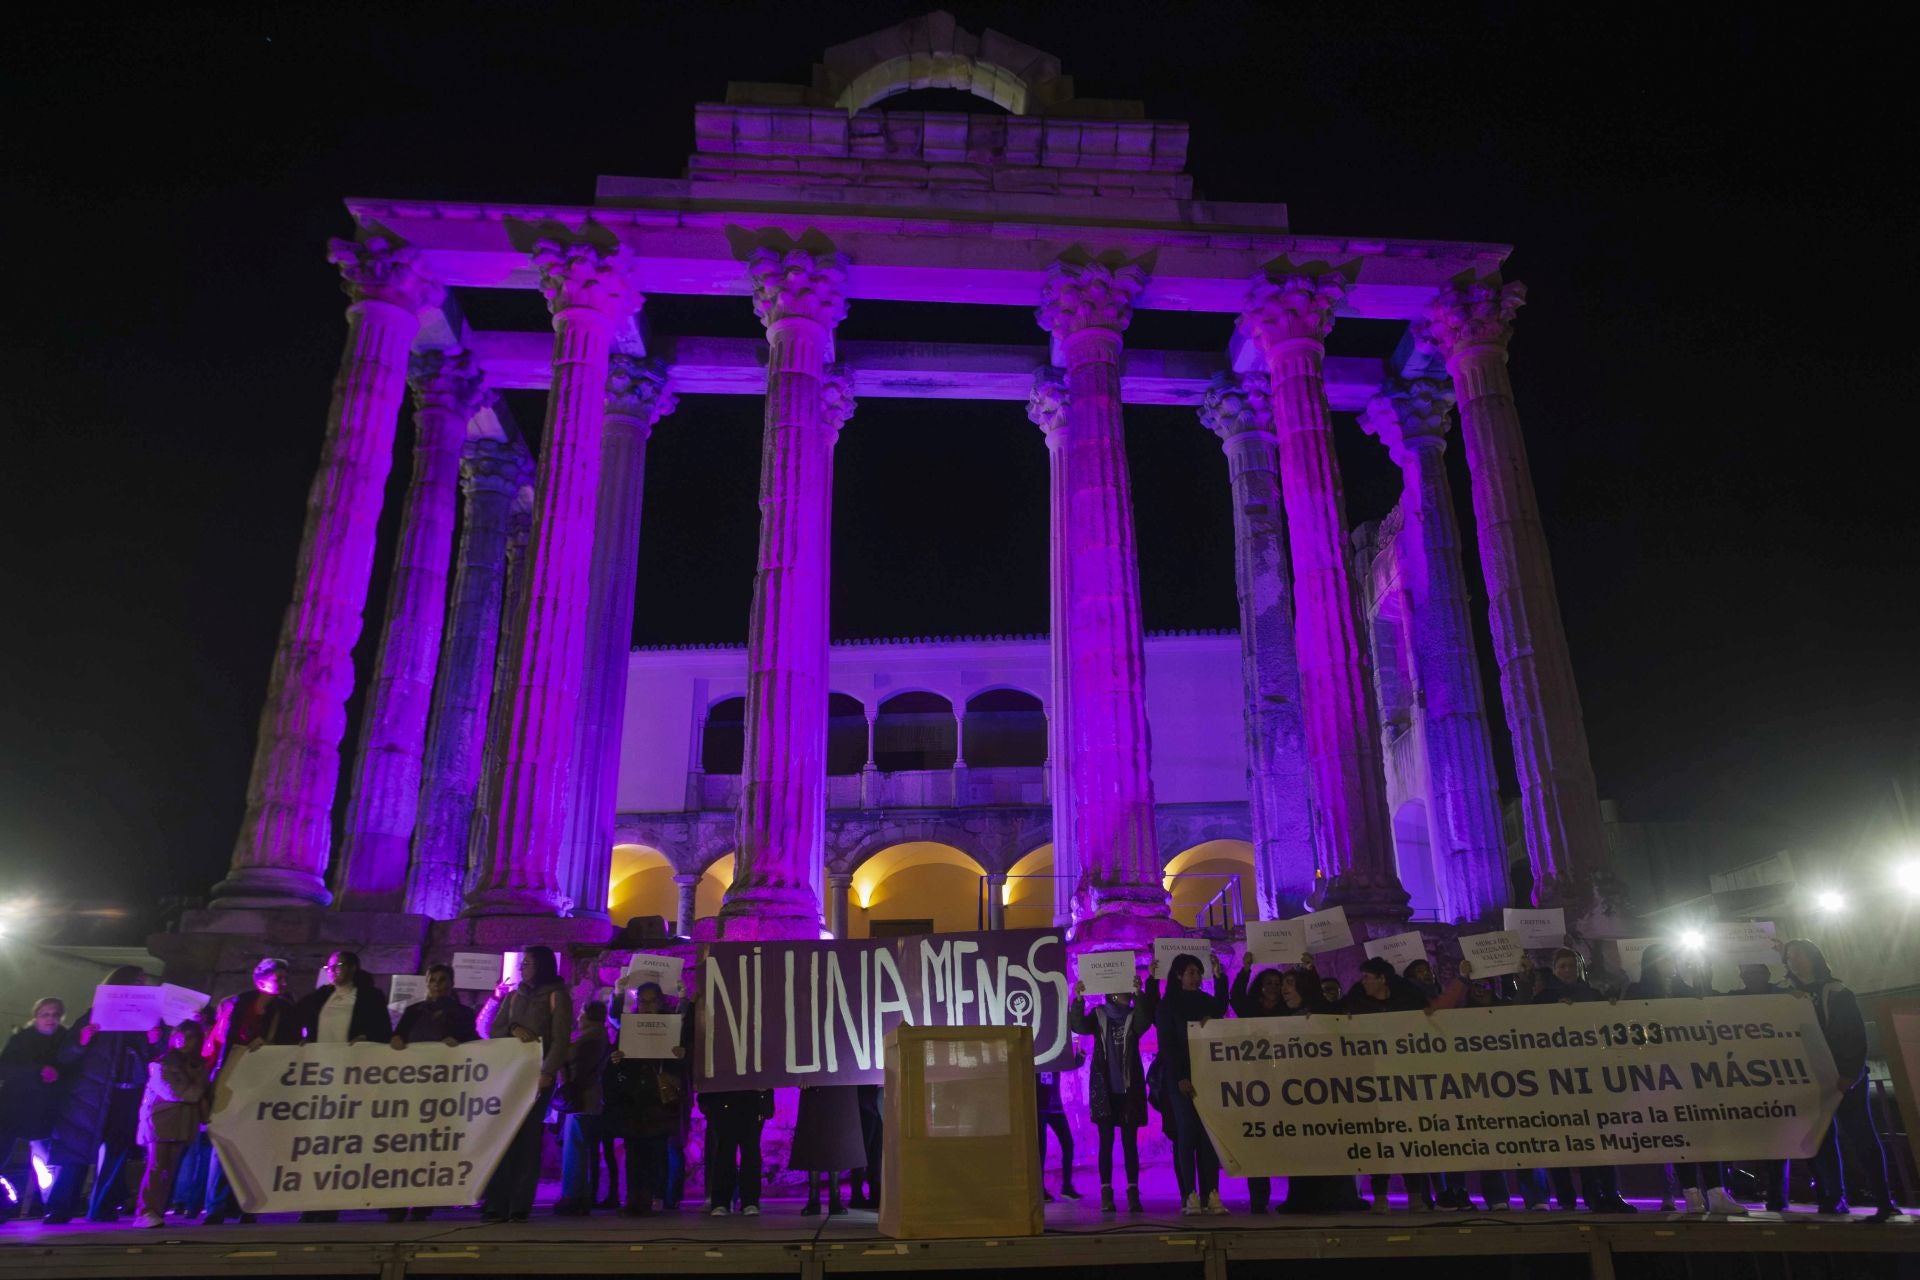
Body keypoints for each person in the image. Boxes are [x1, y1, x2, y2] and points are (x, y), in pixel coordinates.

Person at [1784, 938, 1903, 1220]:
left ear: (1814, 957)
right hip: (1810, 1079)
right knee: (1821, 1142)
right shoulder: (1786, 997)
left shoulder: (1838, 992)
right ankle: (1833, 1198)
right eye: (1790, 957)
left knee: (1863, 1139)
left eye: (1800, 955)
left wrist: (1848, 1073)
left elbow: (1854, 1035)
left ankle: (1884, 1201)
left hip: (1845, 1078)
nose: (1795, 961)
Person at [1626, 943, 1745, 1215]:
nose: (1670, 962)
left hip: (1694, 1073)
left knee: (1704, 1131)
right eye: (1664, 958)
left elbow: (1706, 1010)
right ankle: (1691, 1195)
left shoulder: (1685, 989)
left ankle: (1716, 1193)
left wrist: (1704, 972)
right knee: (1678, 1135)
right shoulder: (1637, 992)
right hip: (1661, 1073)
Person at [1345, 956, 1469, 1212]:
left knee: (1409, 1138)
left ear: (1382, 979)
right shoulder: (1357, 1001)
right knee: (1379, 1141)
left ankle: (1415, 1195)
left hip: (1405, 1083)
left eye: (1368, 977)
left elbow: (1436, 1011)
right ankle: (1380, 1196)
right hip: (1373, 1083)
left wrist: (1462, 980)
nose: (1363, 982)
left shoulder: (1408, 1000)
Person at [45, 965, 163, 1224]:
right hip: (92, 1093)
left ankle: (103, 1207)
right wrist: (82, 1041)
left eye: (143, 982)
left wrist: (156, 1041)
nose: (140, 987)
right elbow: (66, 1056)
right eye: (136, 981)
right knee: (76, 1149)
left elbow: (159, 1056)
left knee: (116, 1152)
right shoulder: (94, 1015)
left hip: (127, 1093)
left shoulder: (149, 1020)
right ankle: (61, 1207)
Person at [1531, 948, 1634, 1214]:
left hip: (1591, 1076)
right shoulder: (1544, 998)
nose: (1568, 970)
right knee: (1562, 1139)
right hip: (1558, 1078)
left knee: (1599, 1140)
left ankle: (1605, 1193)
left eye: (1572, 966)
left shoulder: (1592, 994)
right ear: (1554, 969)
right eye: (1563, 966)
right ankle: (1566, 1198)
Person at [479, 946, 572, 1223]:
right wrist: (511, 1029)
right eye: (523, 963)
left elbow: (560, 1038)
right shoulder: (514, 996)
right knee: (503, 1138)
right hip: (510, 1074)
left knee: (528, 1141)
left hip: (536, 1076)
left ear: (541, 966)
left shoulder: (557, 996)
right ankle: (496, 1201)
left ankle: (520, 1203)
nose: (523, 968)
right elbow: (494, 1030)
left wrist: (548, 1071)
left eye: (528, 963)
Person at [201, 956, 295, 1224]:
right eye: (278, 978)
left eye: (285, 979)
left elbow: (291, 1044)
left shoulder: (285, 1009)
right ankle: (217, 1205)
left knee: (254, 1145)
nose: (283, 983)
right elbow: (221, 1042)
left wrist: (269, 1046)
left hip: (265, 1083)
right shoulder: (238, 1004)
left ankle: (248, 1204)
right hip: (234, 1079)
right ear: (261, 979)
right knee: (225, 1143)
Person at [386, 964, 478, 1222]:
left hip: (441, 1091)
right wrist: (396, 1040)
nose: (437, 984)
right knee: (403, 1148)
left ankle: (423, 1203)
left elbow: (474, 1045)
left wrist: (458, 1046)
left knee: (430, 1149)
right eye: (433, 980)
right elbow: (397, 1037)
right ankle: (397, 1203)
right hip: (412, 1091)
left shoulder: (462, 1013)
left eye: (442, 980)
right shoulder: (413, 1011)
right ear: (426, 982)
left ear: (450, 983)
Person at [600, 983, 691, 1215]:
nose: (647, 1006)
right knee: (634, 1151)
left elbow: (681, 1059)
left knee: (656, 1150)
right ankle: (634, 1199)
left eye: (652, 1001)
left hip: (657, 1095)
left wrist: (679, 1056)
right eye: (643, 1001)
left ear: (661, 1001)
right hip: (633, 1096)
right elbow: (616, 1058)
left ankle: (656, 1197)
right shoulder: (629, 1027)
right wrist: (617, 1057)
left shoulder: (671, 1026)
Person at [1070, 972, 1157, 1213]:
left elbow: (1144, 1021)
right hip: (1105, 1089)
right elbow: (1078, 1025)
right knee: (1106, 1143)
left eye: (1129, 993)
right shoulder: (1098, 1016)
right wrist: (1078, 999)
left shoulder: (1132, 1016)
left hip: (1129, 1090)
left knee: (1130, 1143)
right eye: (1125, 992)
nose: (1127, 995)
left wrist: (1140, 996)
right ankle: (1106, 1193)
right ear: (1112, 993)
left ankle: (1132, 1193)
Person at [1155, 951, 1230, 1215]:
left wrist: (1221, 978)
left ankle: (1212, 1191)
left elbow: (1221, 1008)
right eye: (1191, 972)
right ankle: (1189, 1193)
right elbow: (1167, 1045)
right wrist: (1179, 1077)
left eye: (1198, 972)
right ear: (1178, 975)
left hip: (1207, 1074)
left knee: (1208, 1136)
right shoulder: (1168, 1005)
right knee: (1186, 1134)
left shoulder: (1206, 1001)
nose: (1196, 977)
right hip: (1181, 1078)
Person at [1722, 962, 1789, 1211]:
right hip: (1745, 1077)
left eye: (1757, 974)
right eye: (1747, 974)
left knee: (1779, 1142)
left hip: (1777, 1076)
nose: (1752, 978)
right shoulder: (1734, 1000)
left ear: (1768, 975)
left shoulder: (1783, 997)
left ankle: (1777, 1196)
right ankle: (1732, 1191)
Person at [0, 998, 72, 1223]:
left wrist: (58, 1075)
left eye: (55, 1014)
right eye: (45, 1014)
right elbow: (5, 1068)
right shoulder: (21, 1039)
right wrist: (37, 1071)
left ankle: (51, 1207)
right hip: (14, 1107)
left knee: (47, 1164)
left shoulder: (64, 1040)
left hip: (46, 1110)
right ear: (36, 1016)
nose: (50, 1019)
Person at [134, 1021, 209, 1228]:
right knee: (157, 1167)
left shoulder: (197, 1064)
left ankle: (156, 1211)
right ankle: (146, 1211)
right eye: (181, 1036)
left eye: (191, 1037)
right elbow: (175, 1092)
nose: (185, 1041)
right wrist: (196, 1090)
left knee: (169, 1169)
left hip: (183, 1123)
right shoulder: (162, 1063)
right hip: (160, 1122)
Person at [553, 999, 613, 1216]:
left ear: (588, 1016)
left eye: (581, 1013)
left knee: (576, 1149)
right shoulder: (598, 1036)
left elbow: (570, 1058)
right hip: (588, 1099)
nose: (578, 1018)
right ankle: (580, 1194)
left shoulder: (591, 1039)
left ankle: (574, 1195)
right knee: (581, 1148)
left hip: (583, 1100)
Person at [792, 1083, 864, 1215]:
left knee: (834, 1141)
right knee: (813, 1141)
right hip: (814, 1091)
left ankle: (834, 1199)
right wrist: (801, 1078)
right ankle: (814, 1200)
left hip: (837, 1091)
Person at [700, 1087, 774, 1216]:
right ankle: (721, 1202)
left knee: (750, 1152)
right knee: (724, 1152)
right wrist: (706, 1101)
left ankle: (750, 1201)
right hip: (723, 1101)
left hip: (752, 1103)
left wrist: (764, 1095)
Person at [292, 951, 392, 1045]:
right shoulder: (319, 996)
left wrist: (365, 1037)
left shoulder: (370, 996)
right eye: (329, 967)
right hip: (320, 1056)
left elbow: (382, 1028)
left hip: (353, 1058)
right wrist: (308, 1039)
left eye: (338, 965)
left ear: (352, 968)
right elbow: (298, 1017)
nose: (331, 970)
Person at [1035, 1049, 1084, 1204]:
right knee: (1040, 1149)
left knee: (1068, 1143)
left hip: (1055, 1106)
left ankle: (1067, 1187)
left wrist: (1080, 1055)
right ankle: (1039, 1189)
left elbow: (1069, 1064)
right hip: (1040, 1106)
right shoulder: (1036, 1053)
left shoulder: (1053, 1051)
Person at [846, 1084, 883, 1210]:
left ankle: (874, 1194)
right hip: (865, 1100)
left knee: (875, 1151)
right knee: (863, 1150)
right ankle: (858, 1195)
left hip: (876, 1099)